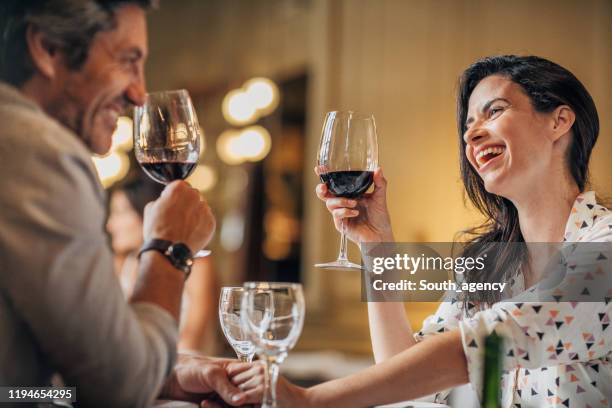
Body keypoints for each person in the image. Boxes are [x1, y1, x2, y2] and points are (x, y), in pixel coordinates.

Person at [231, 55, 612, 406]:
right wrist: (376, 246)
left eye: (493, 111)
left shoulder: (604, 247)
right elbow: (405, 375)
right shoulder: (488, 267)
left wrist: (309, 400)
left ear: (559, 121)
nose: (472, 134)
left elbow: (493, 337)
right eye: (468, 125)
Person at [0, 1, 261, 406]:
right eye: (127, 61)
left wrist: (165, 375)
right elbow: (117, 390)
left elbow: (22, 387)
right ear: (47, 48)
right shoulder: (39, 153)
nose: (139, 95)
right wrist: (168, 250)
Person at [107, 175, 219, 352]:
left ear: (150, 211)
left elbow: (193, 340)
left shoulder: (196, 264)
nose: (110, 225)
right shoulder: (120, 264)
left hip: (184, 364)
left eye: (120, 212)